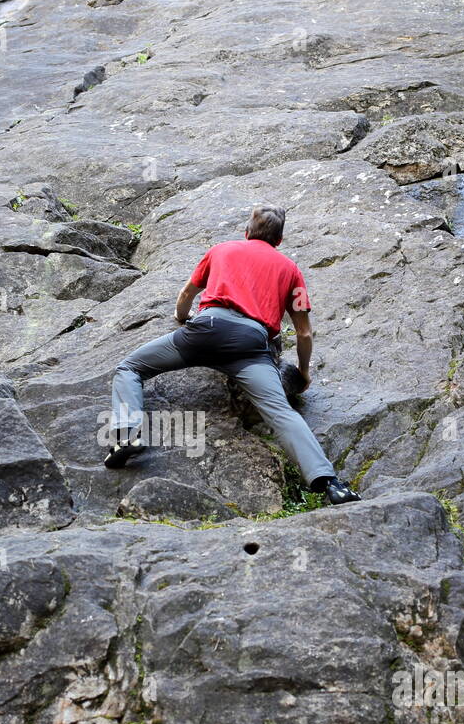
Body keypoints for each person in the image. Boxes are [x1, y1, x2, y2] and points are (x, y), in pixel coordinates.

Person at [105, 205, 361, 505]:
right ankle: (330, 483)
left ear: (247, 232)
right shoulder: (291, 270)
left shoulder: (221, 250)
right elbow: (304, 333)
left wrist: (182, 319)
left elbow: (186, 296)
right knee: (280, 412)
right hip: (250, 347)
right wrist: (303, 373)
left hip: (206, 329)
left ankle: (126, 436)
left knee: (130, 368)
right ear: (279, 240)